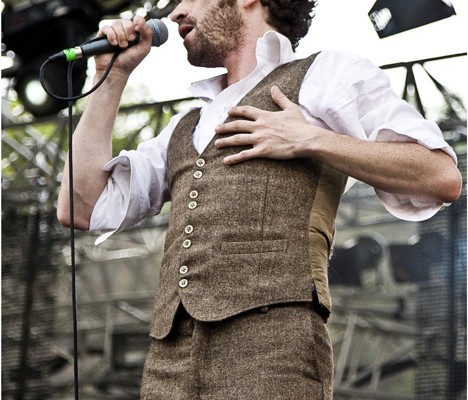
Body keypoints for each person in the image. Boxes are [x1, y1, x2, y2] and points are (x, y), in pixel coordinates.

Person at [57, 0, 462, 398]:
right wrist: (111, 77)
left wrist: (311, 138)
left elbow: (439, 176)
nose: (176, 13)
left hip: (272, 352)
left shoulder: (326, 74)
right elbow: (82, 205)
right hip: (169, 363)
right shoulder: (186, 126)